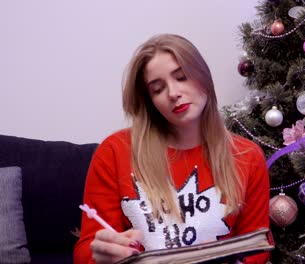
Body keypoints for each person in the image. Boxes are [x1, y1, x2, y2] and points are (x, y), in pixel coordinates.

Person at [73, 34, 271, 264]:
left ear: (204, 76)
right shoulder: (115, 151)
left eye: (182, 77)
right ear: (150, 101)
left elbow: (257, 249)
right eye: (157, 89)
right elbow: (86, 251)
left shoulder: (247, 156)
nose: (173, 93)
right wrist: (100, 255)